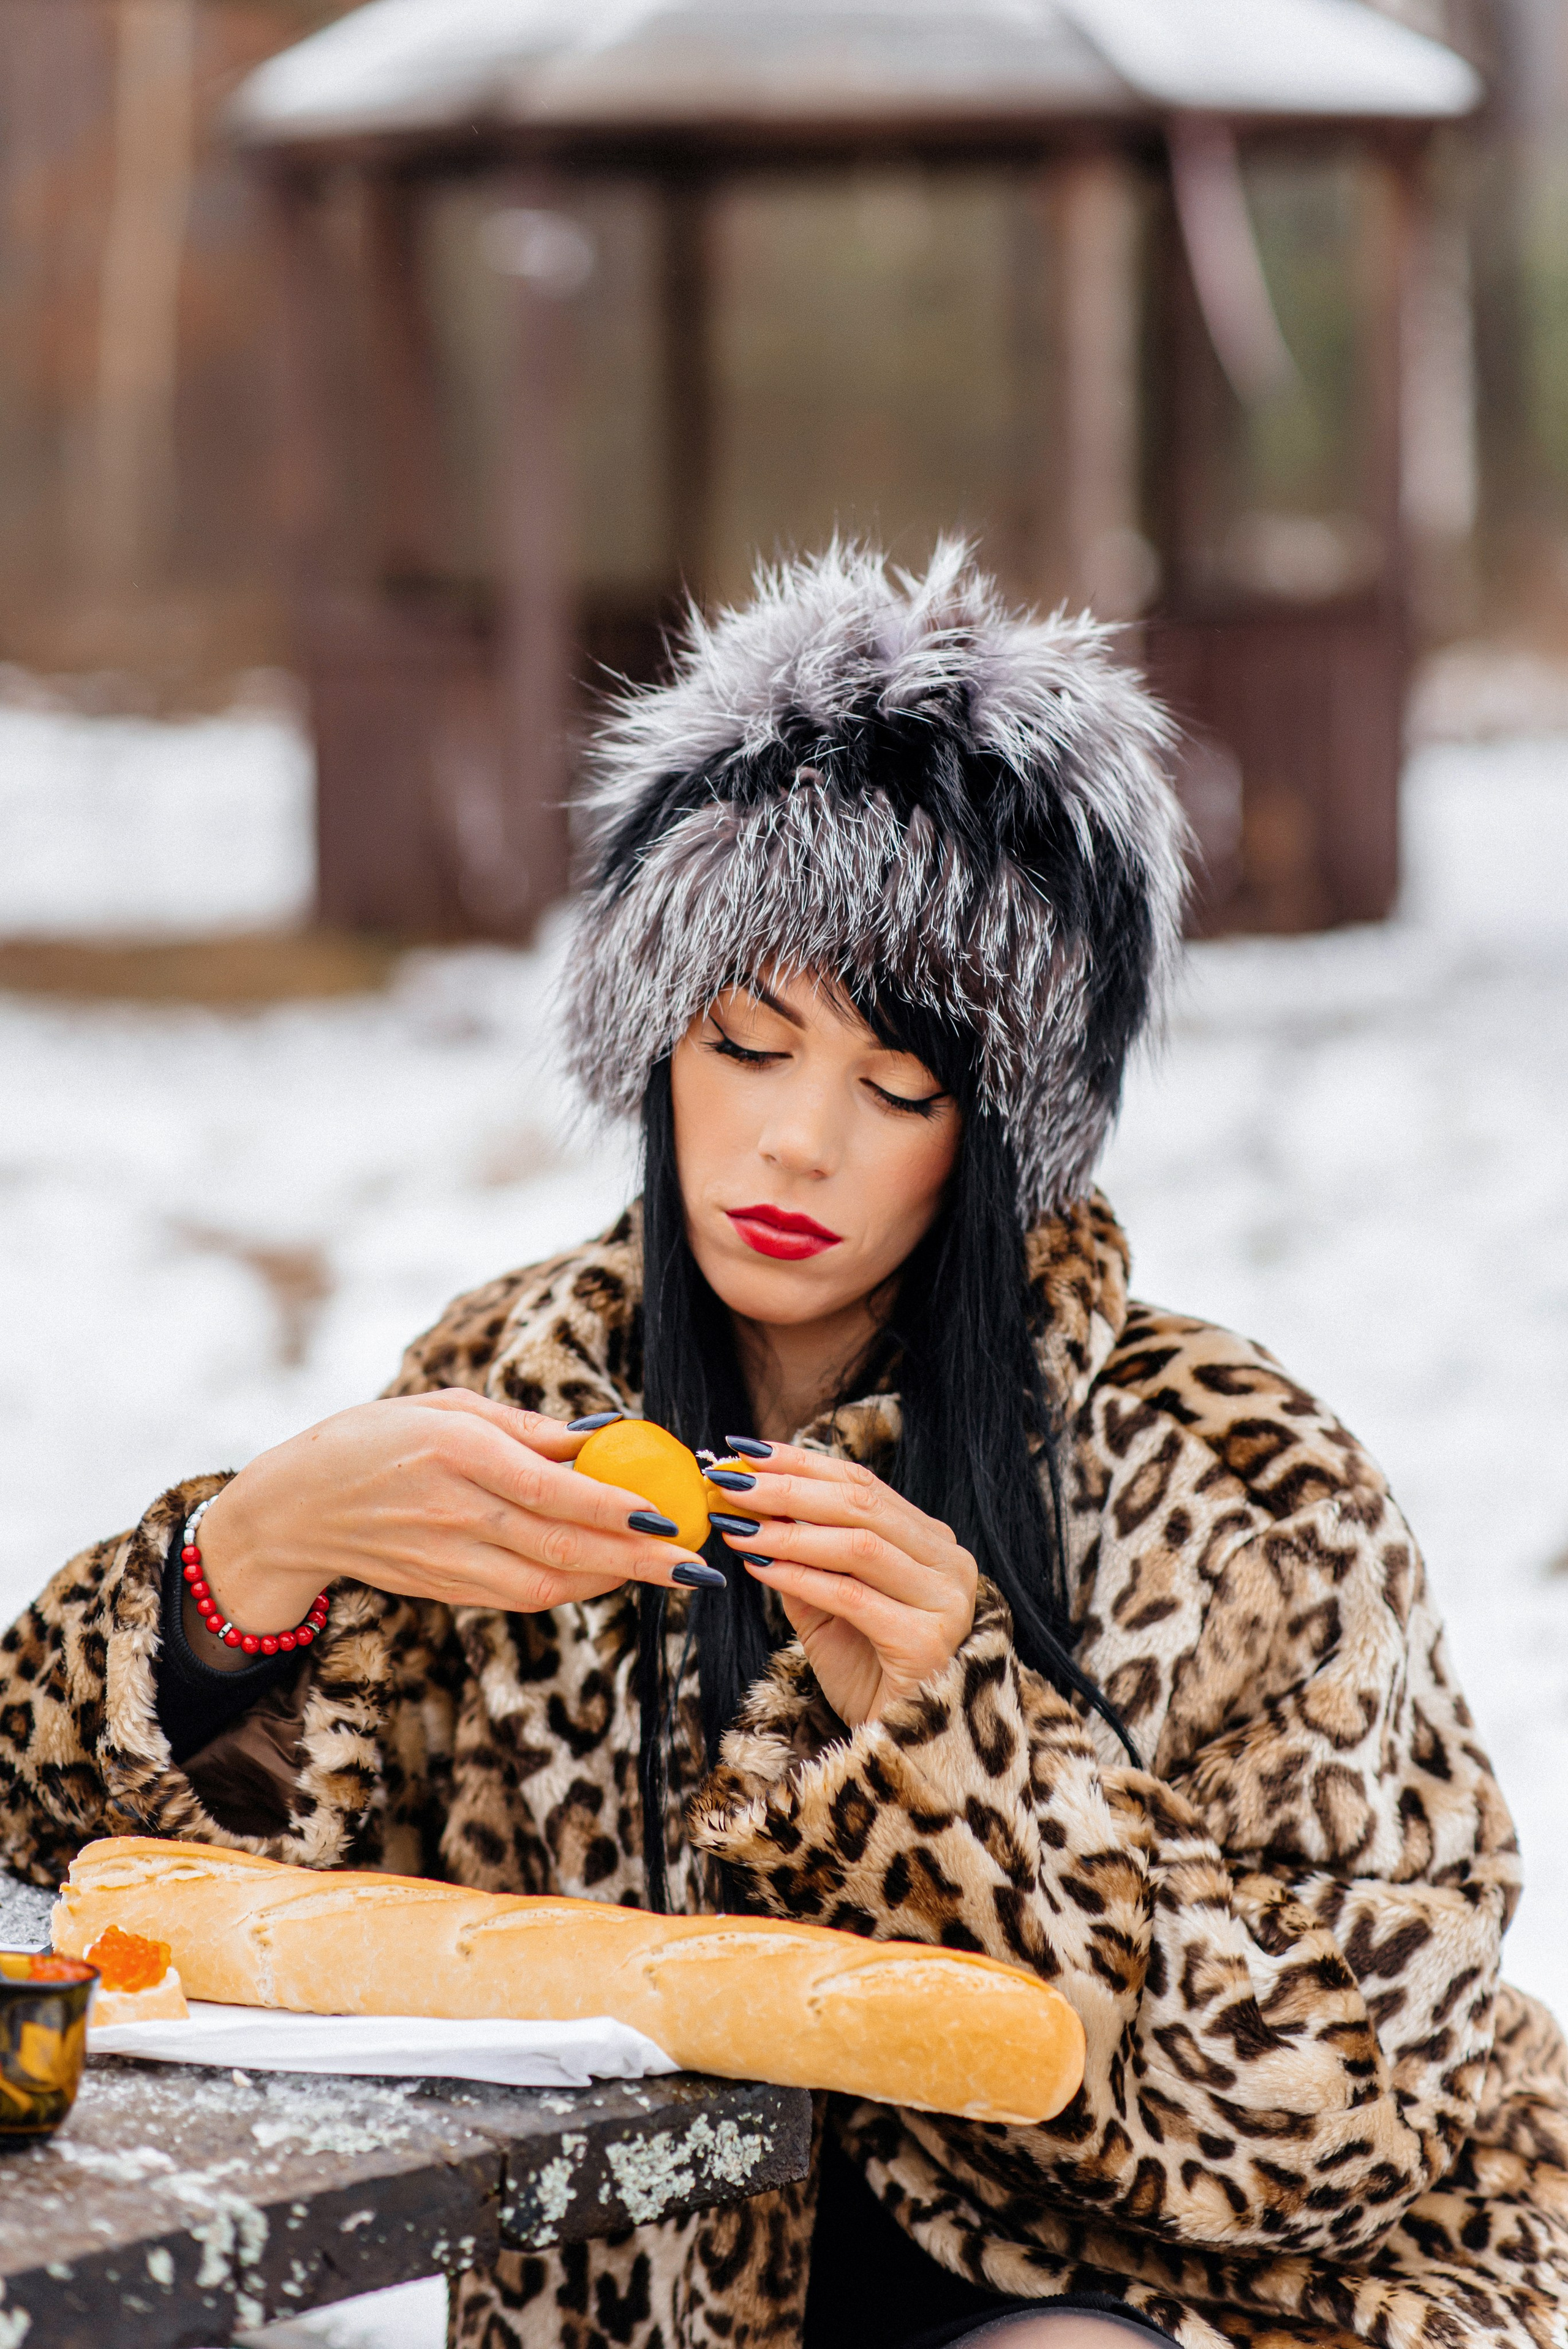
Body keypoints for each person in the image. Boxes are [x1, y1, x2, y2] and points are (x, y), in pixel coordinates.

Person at [4, 542, 1564, 2349]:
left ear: (999, 1130)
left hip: (1213, 2307)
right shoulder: (521, 1388)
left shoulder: (1239, 1484)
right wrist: (240, 1571)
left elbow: (1369, 2097)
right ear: (656, 1038)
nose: (800, 1142)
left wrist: (963, 1734)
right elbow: (115, 1934)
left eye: (899, 1086)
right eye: (748, 1044)